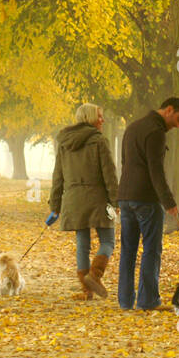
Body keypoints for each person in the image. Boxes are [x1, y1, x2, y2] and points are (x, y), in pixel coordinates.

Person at [116, 97, 179, 310]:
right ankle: (148, 301)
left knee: (128, 250)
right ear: (168, 110)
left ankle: (125, 301)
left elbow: (124, 163)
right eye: (178, 118)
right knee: (151, 249)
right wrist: (169, 202)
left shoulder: (132, 128)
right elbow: (155, 170)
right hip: (146, 198)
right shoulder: (156, 133)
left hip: (126, 196)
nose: (178, 124)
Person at [45, 103, 119, 299]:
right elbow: (109, 175)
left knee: (82, 243)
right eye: (99, 116)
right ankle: (94, 276)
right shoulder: (99, 141)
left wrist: (55, 206)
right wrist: (116, 202)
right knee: (109, 241)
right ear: (90, 118)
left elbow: (57, 176)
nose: (102, 120)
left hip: (73, 199)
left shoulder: (64, 143)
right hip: (99, 200)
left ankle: (86, 291)